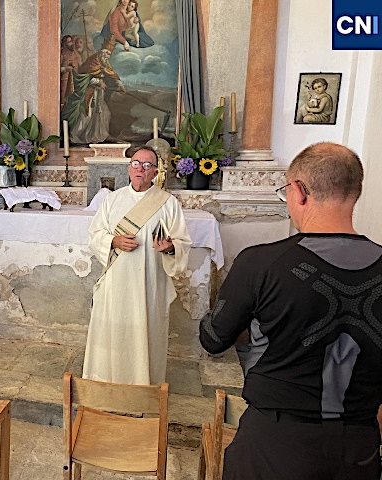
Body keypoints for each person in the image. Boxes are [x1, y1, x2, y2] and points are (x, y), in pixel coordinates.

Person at [199, 142, 382, 479]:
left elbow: (213, 338)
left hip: (275, 443)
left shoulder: (261, 262)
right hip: (358, 447)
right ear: (355, 193)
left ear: (298, 192)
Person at [83, 146, 191, 385]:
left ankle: (142, 390)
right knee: (113, 335)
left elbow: (182, 241)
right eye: (135, 163)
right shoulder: (113, 199)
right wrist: (114, 240)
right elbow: (94, 234)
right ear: (128, 168)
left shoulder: (168, 203)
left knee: (144, 336)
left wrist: (171, 247)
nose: (140, 169)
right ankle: (106, 387)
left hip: (149, 284)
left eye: (146, 165)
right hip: (116, 282)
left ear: (155, 172)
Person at [61, 36, 125, 144]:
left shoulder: (103, 62)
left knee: (105, 113)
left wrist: (120, 85)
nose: (107, 57)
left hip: (98, 94)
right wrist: (98, 82)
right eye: (107, 54)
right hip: (88, 94)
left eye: (109, 55)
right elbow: (84, 76)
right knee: (87, 116)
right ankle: (75, 136)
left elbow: (111, 73)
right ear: (102, 53)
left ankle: (100, 136)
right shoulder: (92, 61)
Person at [60, 34, 83, 108]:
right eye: (69, 42)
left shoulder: (75, 53)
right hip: (64, 81)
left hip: (75, 80)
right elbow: (55, 69)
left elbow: (81, 66)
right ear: (64, 44)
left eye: (72, 41)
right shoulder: (61, 54)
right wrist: (65, 69)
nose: (72, 43)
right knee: (63, 100)